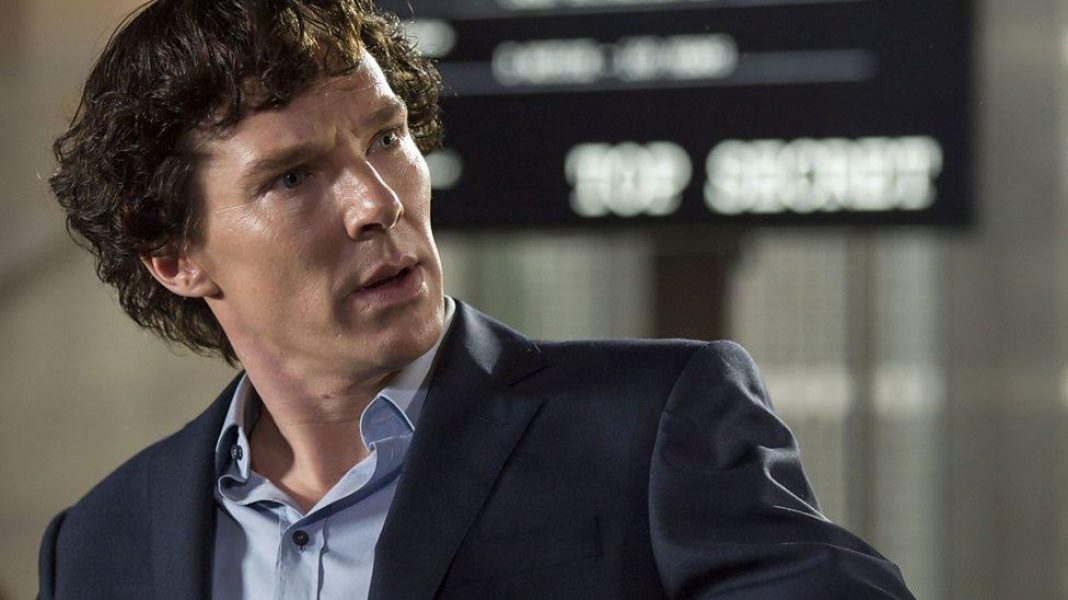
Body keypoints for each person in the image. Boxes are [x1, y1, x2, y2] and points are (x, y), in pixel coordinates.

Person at [37, 1, 915, 598]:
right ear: (177, 259)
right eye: (293, 177)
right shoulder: (99, 543)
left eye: (387, 139)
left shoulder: (651, 425)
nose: (377, 202)